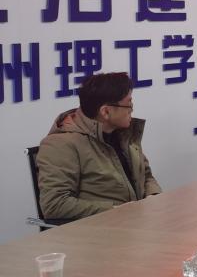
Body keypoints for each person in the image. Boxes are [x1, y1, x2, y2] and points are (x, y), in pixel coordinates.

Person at [36, 72, 161, 221]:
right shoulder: (61, 144)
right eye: (129, 104)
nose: (132, 109)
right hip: (99, 228)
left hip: (136, 221)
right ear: (106, 112)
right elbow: (55, 204)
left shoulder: (123, 133)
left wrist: (153, 196)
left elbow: (145, 175)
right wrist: (114, 210)